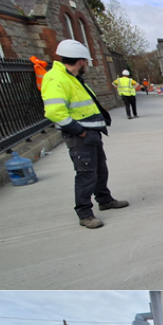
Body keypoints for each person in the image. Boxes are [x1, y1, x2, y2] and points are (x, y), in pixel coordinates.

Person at [40, 39, 128, 229]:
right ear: (80, 61)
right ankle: (85, 214)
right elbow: (55, 112)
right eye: (86, 62)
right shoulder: (56, 79)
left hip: (92, 134)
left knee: (100, 171)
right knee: (86, 175)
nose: (87, 66)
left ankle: (105, 200)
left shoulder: (71, 78)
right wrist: (80, 132)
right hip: (80, 136)